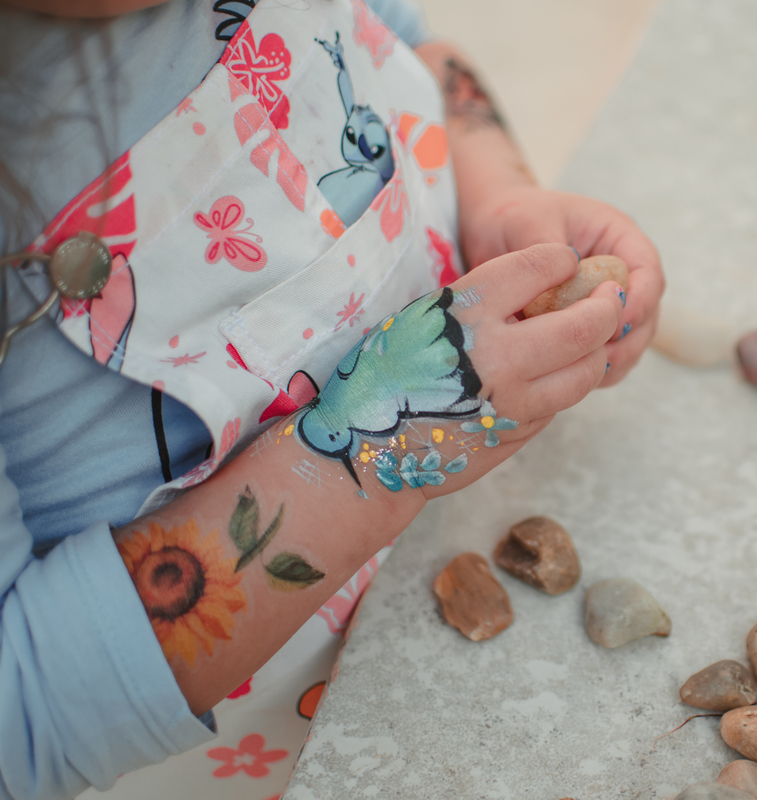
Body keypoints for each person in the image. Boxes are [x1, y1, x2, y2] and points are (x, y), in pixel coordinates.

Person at [0, 0, 664, 797]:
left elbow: (397, 35)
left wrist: (501, 195)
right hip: (282, 750)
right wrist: (377, 450)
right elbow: (20, 712)